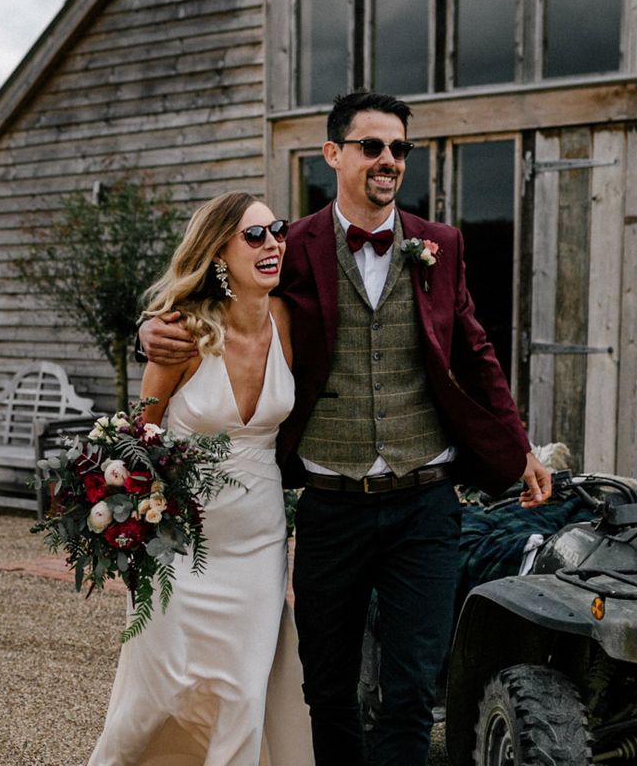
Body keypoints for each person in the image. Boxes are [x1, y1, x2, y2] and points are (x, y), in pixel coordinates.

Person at [140, 92, 552, 766]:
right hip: (331, 506)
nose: (389, 160)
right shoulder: (289, 245)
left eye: (399, 148)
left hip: (426, 500)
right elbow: (218, 296)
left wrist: (519, 446)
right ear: (333, 154)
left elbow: (476, 353)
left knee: (411, 689)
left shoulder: (441, 245)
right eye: (372, 146)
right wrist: (149, 332)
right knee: (327, 688)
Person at [90, 191, 314, 766]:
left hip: (259, 545)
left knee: (243, 696)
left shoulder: (289, 321)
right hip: (180, 551)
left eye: (278, 230)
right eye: (254, 235)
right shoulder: (181, 334)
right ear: (218, 253)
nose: (272, 243)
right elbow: (138, 440)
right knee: (160, 695)